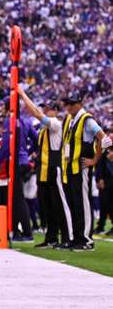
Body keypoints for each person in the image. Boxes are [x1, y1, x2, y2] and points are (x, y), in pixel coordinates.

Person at [16, 86, 70, 248]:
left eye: (48, 109)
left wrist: (22, 94)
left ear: (54, 110)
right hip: (44, 169)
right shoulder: (43, 129)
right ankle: (51, 237)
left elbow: (37, 115)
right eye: (44, 108)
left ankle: (67, 237)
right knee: (47, 206)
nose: (45, 111)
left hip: (55, 168)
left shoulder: (55, 123)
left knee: (59, 205)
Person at [60, 92, 108, 250]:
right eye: (67, 104)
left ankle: (87, 240)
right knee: (74, 204)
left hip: (82, 169)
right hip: (71, 168)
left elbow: (103, 138)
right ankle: (77, 238)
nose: (68, 107)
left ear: (79, 104)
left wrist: (95, 159)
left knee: (83, 204)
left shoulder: (87, 119)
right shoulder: (71, 120)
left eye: (71, 104)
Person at [0, 100, 38, 242]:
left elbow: (5, 147)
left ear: (8, 108)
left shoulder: (8, 121)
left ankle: (26, 232)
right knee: (16, 197)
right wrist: (27, 153)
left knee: (17, 199)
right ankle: (17, 231)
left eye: (2, 107)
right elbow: (36, 140)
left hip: (15, 163)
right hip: (24, 163)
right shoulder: (26, 121)